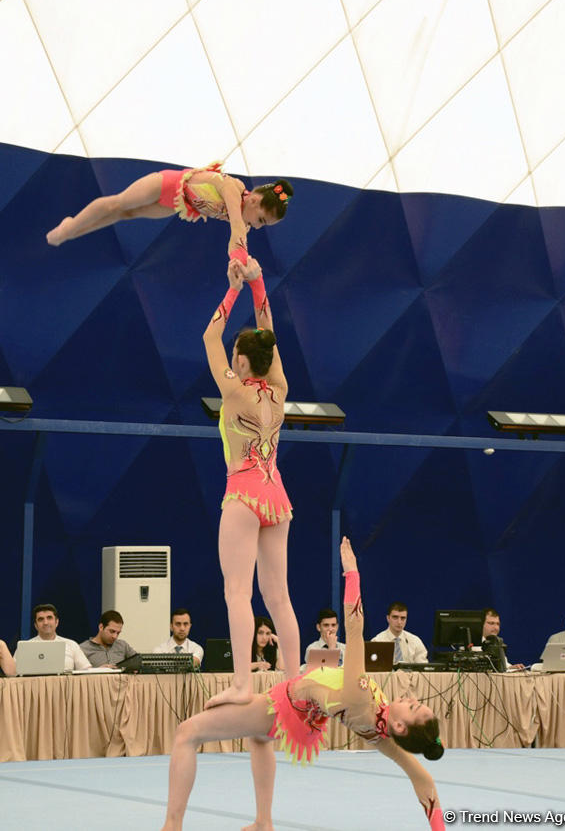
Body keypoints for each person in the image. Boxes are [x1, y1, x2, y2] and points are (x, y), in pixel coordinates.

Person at [160, 538, 446, 831]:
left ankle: (172, 825)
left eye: (412, 706)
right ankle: (263, 822)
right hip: (300, 708)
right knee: (260, 739)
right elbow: (423, 779)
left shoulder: (362, 698)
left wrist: (352, 572)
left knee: (187, 733)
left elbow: (355, 627)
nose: (410, 698)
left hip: (286, 706)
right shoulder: (383, 731)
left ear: (400, 727)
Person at [202, 255, 300, 708]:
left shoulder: (234, 389)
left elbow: (209, 335)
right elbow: (269, 332)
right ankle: (294, 680)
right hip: (276, 494)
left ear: (241, 359)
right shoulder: (278, 388)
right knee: (278, 596)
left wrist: (233, 288)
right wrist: (258, 283)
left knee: (237, 591)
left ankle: (243, 684)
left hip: (242, 492)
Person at [46, 162, 293, 248]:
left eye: (264, 225)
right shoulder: (234, 188)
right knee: (118, 203)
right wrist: (239, 252)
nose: (258, 227)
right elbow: (237, 230)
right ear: (254, 199)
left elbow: (240, 230)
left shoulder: (244, 216)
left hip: (175, 205)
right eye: (261, 219)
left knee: (127, 214)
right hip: (165, 184)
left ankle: (74, 232)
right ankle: (68, 228)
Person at [31, 603, 91, 671]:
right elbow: (16, 674)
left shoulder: (71, 645)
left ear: (56, 622)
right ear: (36, 625)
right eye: (41, 619)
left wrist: (99, 670)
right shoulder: (25, 647)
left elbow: (86, 670)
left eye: (49, 618)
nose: (45, 623)